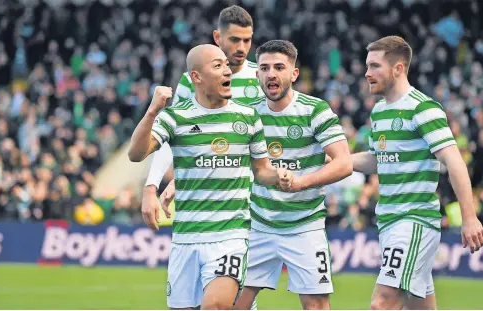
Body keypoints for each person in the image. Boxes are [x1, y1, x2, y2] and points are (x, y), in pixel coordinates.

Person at [127, 44, 292, 310]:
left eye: (226, 64)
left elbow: (261, 171)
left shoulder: (248, 117)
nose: (227, 70)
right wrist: (152, 111)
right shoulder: (175, 117)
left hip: (230, 235)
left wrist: (279, 175)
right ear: (196, 77)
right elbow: (136, 154)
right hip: (186, 238)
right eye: (218, 66)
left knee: (215, 305)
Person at [350, 36, 483, 309]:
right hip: (388, 222)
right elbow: (379, 160)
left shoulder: (423, 108)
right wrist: (335, 160)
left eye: (375, 66)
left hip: (413, 220)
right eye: (367, 66)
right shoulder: (378, 111)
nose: (367, 73)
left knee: (382, 303)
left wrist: (469, 218)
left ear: (398, 69)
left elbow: (455, 162)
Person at [233, 40, 352, 310]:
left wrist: (301, 182)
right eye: (264, 68)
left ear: (294, 74)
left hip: (304, 226)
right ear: (257, 75)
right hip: (258, 224)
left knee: (316, 306)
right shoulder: (247, 113)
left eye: (279, 67)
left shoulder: (314, 110)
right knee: (233, 303)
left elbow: (344, 163)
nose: (271, 74)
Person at [142, 5, 263, 216]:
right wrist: (152, 185)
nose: (242, 48)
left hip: (255, 198)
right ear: (217, 37)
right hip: (207, 197)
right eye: (235, 39)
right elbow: (172, 136)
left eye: (247, 40)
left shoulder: (263, 78)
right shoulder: (191, 81)